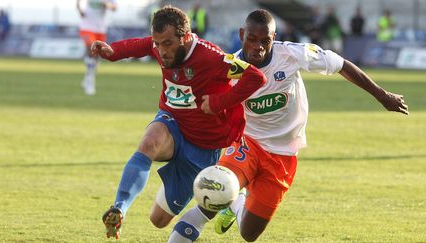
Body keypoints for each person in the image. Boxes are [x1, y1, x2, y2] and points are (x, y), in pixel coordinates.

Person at [168, 9, 408, 243]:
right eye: (252, 39)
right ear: (242, 34)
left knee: (249, 234)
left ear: (275, 38)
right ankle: (220, 202)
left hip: (283, 154)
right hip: (247, 143)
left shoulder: (293, 55)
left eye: (265, 41)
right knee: (212, 198)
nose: (258, 46)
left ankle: (237, 201)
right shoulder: (228, 69)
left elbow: (341, 64)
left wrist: (382, 95)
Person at [90, 5, 266, 239]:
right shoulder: (160, 45)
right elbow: (143, 45)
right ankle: (119, 208)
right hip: (172, 122)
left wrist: (218, 102)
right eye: (158, 43)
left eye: (168, 44)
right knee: (150, 141)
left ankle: (232, 197)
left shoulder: (212, 57)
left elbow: (255, 77)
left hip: (203, 146)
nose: (161, 51)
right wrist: (114, 51)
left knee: (158, 220)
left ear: (184, 37)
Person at [76, 0, 117, 95]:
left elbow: (114, 7)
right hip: (87, 27)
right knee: (91, 49)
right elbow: (80, 8)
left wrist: (107, 5)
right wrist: (79, 8)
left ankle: (88, 78)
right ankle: (90, 82)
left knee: (97, 56)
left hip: (100, 29)